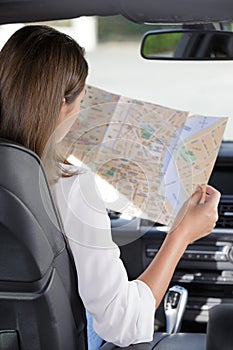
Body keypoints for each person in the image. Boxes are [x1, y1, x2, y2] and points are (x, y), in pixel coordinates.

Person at [0, 25, 220, 349]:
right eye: (83, 101)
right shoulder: (69, 186)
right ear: (63, 104)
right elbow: (123, 323)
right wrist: (181, 234)